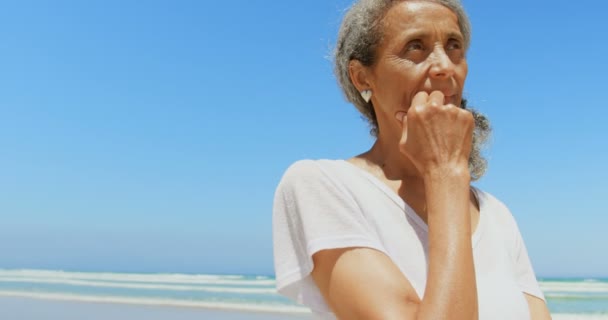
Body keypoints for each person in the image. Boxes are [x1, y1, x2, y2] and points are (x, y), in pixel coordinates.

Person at [272, 0, 552, 319]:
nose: (445, 66)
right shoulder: (321, 186)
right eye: (415, 47)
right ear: (362, 77)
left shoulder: (495, 214)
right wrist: (445, 172)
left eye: (454, 46)